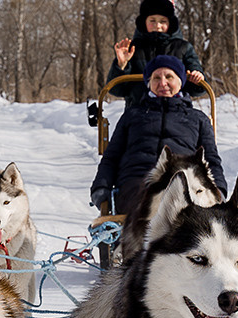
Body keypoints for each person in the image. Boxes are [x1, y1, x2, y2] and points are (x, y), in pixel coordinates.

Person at [90, 56, 226, 216]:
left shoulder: (197, 118)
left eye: (169, 77)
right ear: (149, 83)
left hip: (184, 182)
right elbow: (111, 157)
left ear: (181, 81)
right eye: (156, 78)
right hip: (136, 182)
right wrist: (101, 186)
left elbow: (211, 159)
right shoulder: (133, 115)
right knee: (153, 202)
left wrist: (219, 190)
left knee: (182, 199)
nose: (162, 83)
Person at [106, 0, 206, 105]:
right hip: (139, 112)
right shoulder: (133, 49)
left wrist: (197, 78)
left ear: (171, 23)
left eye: (163, 21)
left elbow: (199, 89)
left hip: (177, 112)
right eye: (152, 21)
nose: (157, 26)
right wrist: (121, 65)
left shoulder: (183, 48)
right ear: (144, 22)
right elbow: (116, 89)